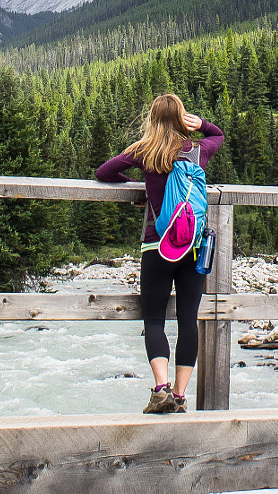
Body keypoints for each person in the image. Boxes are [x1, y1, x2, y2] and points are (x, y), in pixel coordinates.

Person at [94, 94, 225, 414]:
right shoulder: (195, 150)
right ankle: (180, 396)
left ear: (151, 119)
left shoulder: (143, 150)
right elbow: (218, 136)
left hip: (157, 245)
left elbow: (104, 173)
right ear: (182, 119)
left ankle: (160, 390)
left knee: (154, 319)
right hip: (192, 248)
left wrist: (137, 188)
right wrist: (202, 124)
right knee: (187, 320)